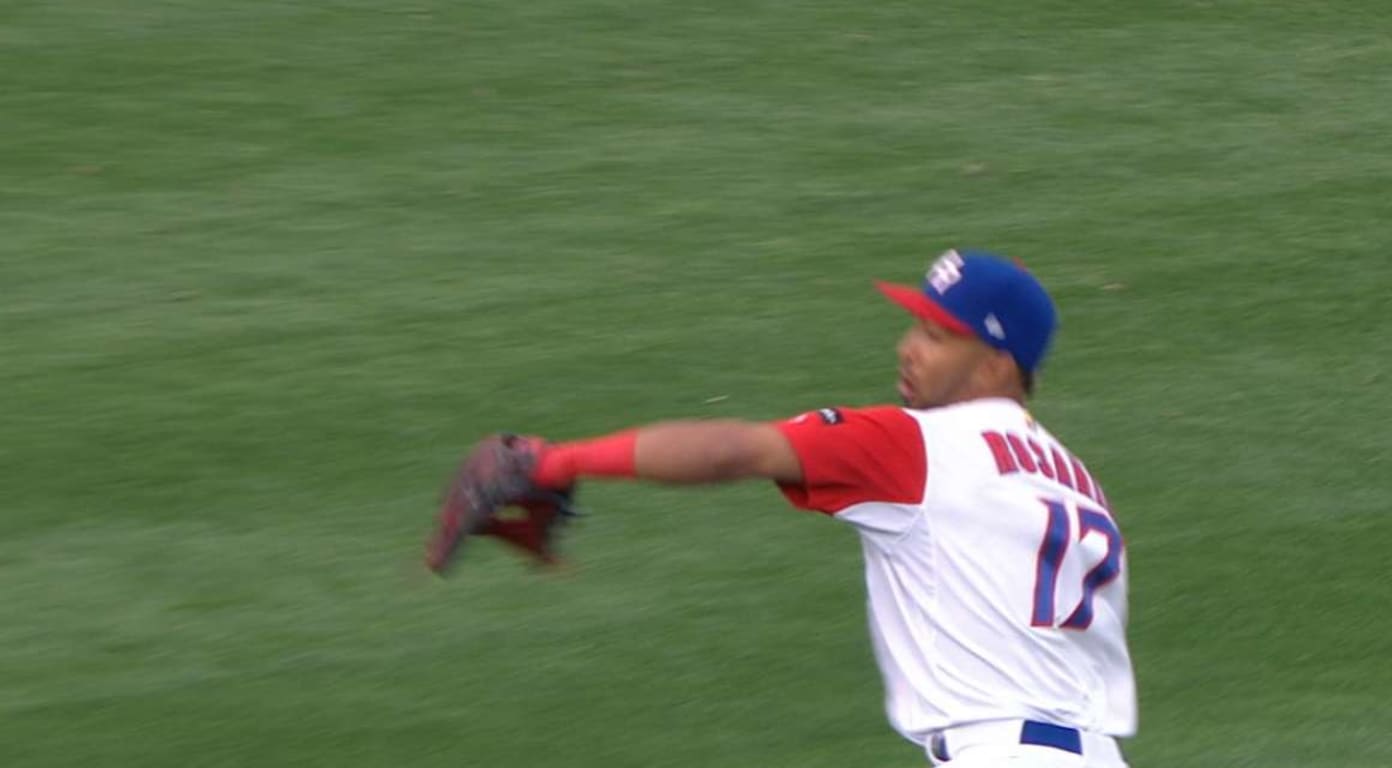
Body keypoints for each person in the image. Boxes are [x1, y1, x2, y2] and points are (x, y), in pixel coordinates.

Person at [454, 249, 1135, 767]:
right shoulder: (1079, 482)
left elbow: (736, 448)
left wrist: (558, 463)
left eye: (935, 335)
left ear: (993, 365)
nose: (907, 347)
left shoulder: (915, 445)